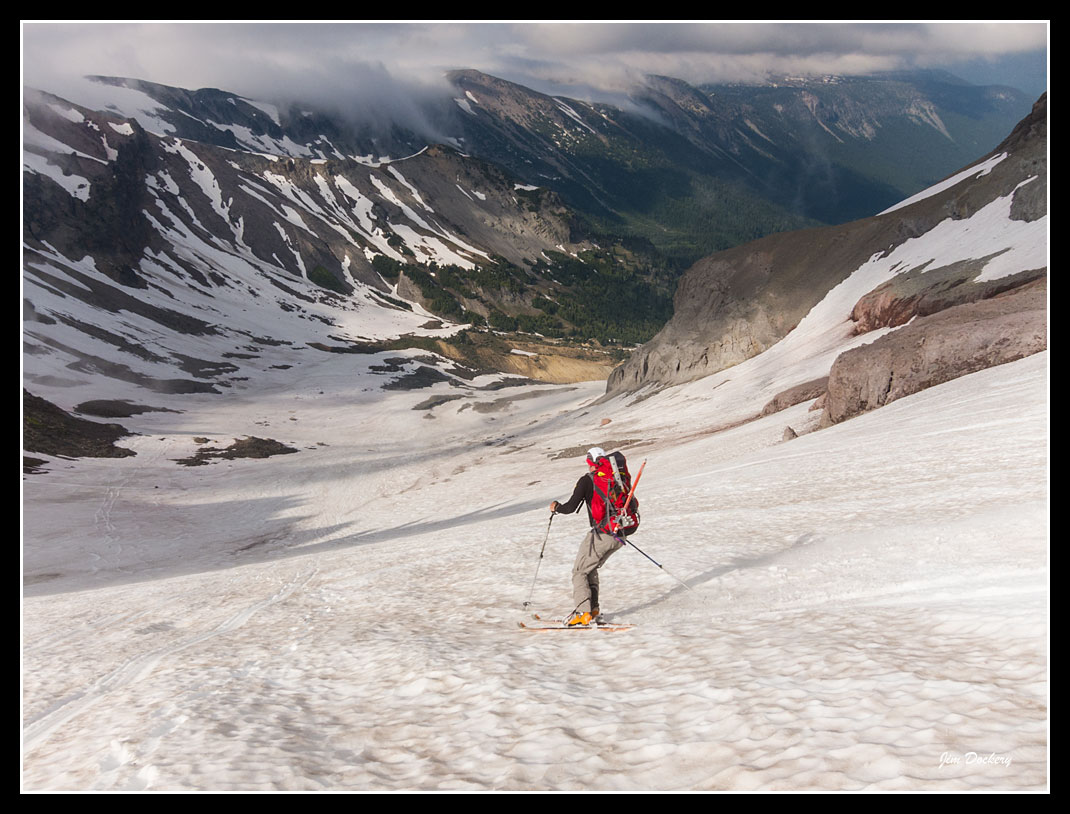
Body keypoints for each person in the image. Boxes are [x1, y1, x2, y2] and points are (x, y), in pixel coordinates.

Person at [549, 446, 628, 626]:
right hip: (620, 533)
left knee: (579, 571)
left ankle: (583, 614)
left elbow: (570, 507)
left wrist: (556, 507)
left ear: (590, 462)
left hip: (603, 533)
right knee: (590, 569)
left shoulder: (588, 480)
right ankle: (593, 609)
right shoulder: (615, 477)